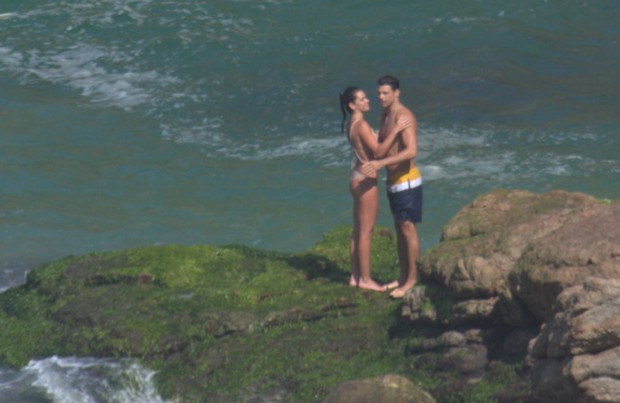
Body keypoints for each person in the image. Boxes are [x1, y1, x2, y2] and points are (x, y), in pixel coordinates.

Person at [339, 87, 405, 292]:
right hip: (366, 180)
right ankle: (366, 279)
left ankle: (355, 275)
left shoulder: (352, 123)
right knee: (366, 231)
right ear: (352, 105)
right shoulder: (361, 124)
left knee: (358, 230)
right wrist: (396, 130)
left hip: (356, 177)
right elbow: (377, 152)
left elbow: (366, 146)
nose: (368, 100)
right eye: (362, 98)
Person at [361, 75, 421, 299]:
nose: (380, 97)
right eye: (378, 93)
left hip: (407, 179)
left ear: (397, 93)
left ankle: (413, 280)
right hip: (393, 180)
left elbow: (411, 151)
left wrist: (380, 163)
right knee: (399, 229)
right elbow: (383, 145)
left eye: (385, 93)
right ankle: (403, 275)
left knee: (408, 228)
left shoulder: (403, 116)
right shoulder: (386, 114)